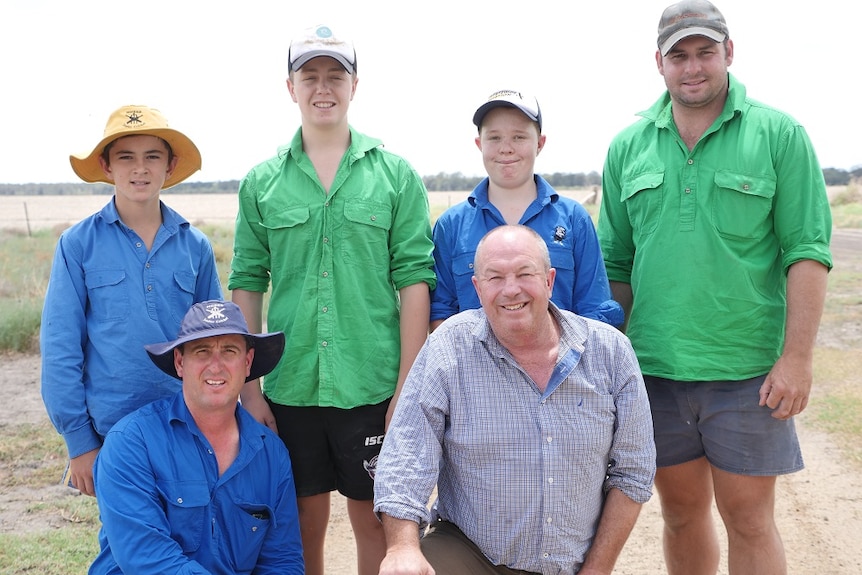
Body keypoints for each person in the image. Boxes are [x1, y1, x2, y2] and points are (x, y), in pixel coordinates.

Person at [597, 1, 833, 573]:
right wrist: (607, 367)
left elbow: (808, 251)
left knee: (749, 519)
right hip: (654, 371)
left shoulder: (780, 134)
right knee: (680, 513)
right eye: (679, 55)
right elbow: (615, 264)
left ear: (730, 52)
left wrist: (797, 358)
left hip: (747, 371)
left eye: (705, 52)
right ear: (659, 63)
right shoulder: (628, 146)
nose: (693, 66)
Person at [228, 24, 436, 575]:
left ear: (354, 85)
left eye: (335, 76)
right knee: (298, 521)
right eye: (310, 76)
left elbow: (415, 280)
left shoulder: (395, 176)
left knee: (374, 520)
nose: (323, 88)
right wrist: (250, 391)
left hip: (372, 385)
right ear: (290, 87)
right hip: (291, 384)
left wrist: (406, 392)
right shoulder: (262, 182)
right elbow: (247, 282)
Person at [374, 224, 656, 574]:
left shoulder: (611, 352)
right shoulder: (449, 348)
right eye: (495, 277)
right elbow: (406, 457)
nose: (511, 290)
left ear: (549, 280)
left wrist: (596, 570)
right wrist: (402, 546)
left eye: (525, 274)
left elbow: (633, 473)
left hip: (572, 564)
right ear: (477, 288)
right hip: (470, 551)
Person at [40, 104, 223, 497]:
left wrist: (220, 417)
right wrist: (79, 441)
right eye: (126, 157)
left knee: (188, 535)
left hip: (185, 422)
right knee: (125, 546)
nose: (140, 168)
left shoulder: (196, 247)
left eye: (152, 156)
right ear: (107, 167)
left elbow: (215, 345)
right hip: (111, 430)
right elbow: (60, 347)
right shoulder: (77, 245)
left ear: (170, 166)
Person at [88, 300, 304, 574]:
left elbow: (281, 561)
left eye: (229, 351)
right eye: (202, 352)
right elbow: (148, 559)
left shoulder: (272, 454)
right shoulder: (130, 443)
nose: (216, 366)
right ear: (180, 362)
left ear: (247, 363)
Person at [430, 89, 623, 331]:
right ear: (479, 144)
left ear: (540, 143)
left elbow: (594, 309)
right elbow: (441, 311)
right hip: (474, 367)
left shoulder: (574, 219)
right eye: (494, 138)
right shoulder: (451, 226)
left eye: (519, 137)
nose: (506, 148)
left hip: (562, 365)